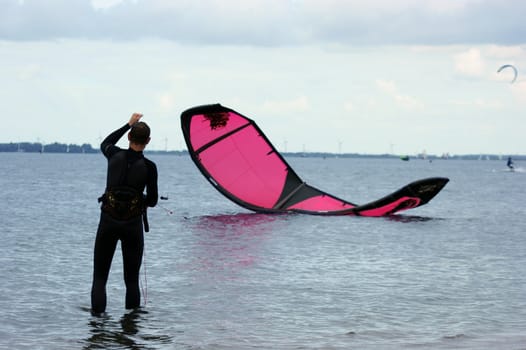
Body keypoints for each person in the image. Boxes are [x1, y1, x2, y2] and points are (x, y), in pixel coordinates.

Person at [91, 113, 158, 316]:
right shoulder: (149, 167)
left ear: (129, 137)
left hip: (108, 223)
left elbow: (106, 142)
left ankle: (97, 328)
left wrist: (128, 124)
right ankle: (130, 332)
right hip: (132, 226)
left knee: (100, 279)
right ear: (148, 141)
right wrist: (138, 200)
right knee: (131, 280)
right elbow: (153, 201)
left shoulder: (113, 155)